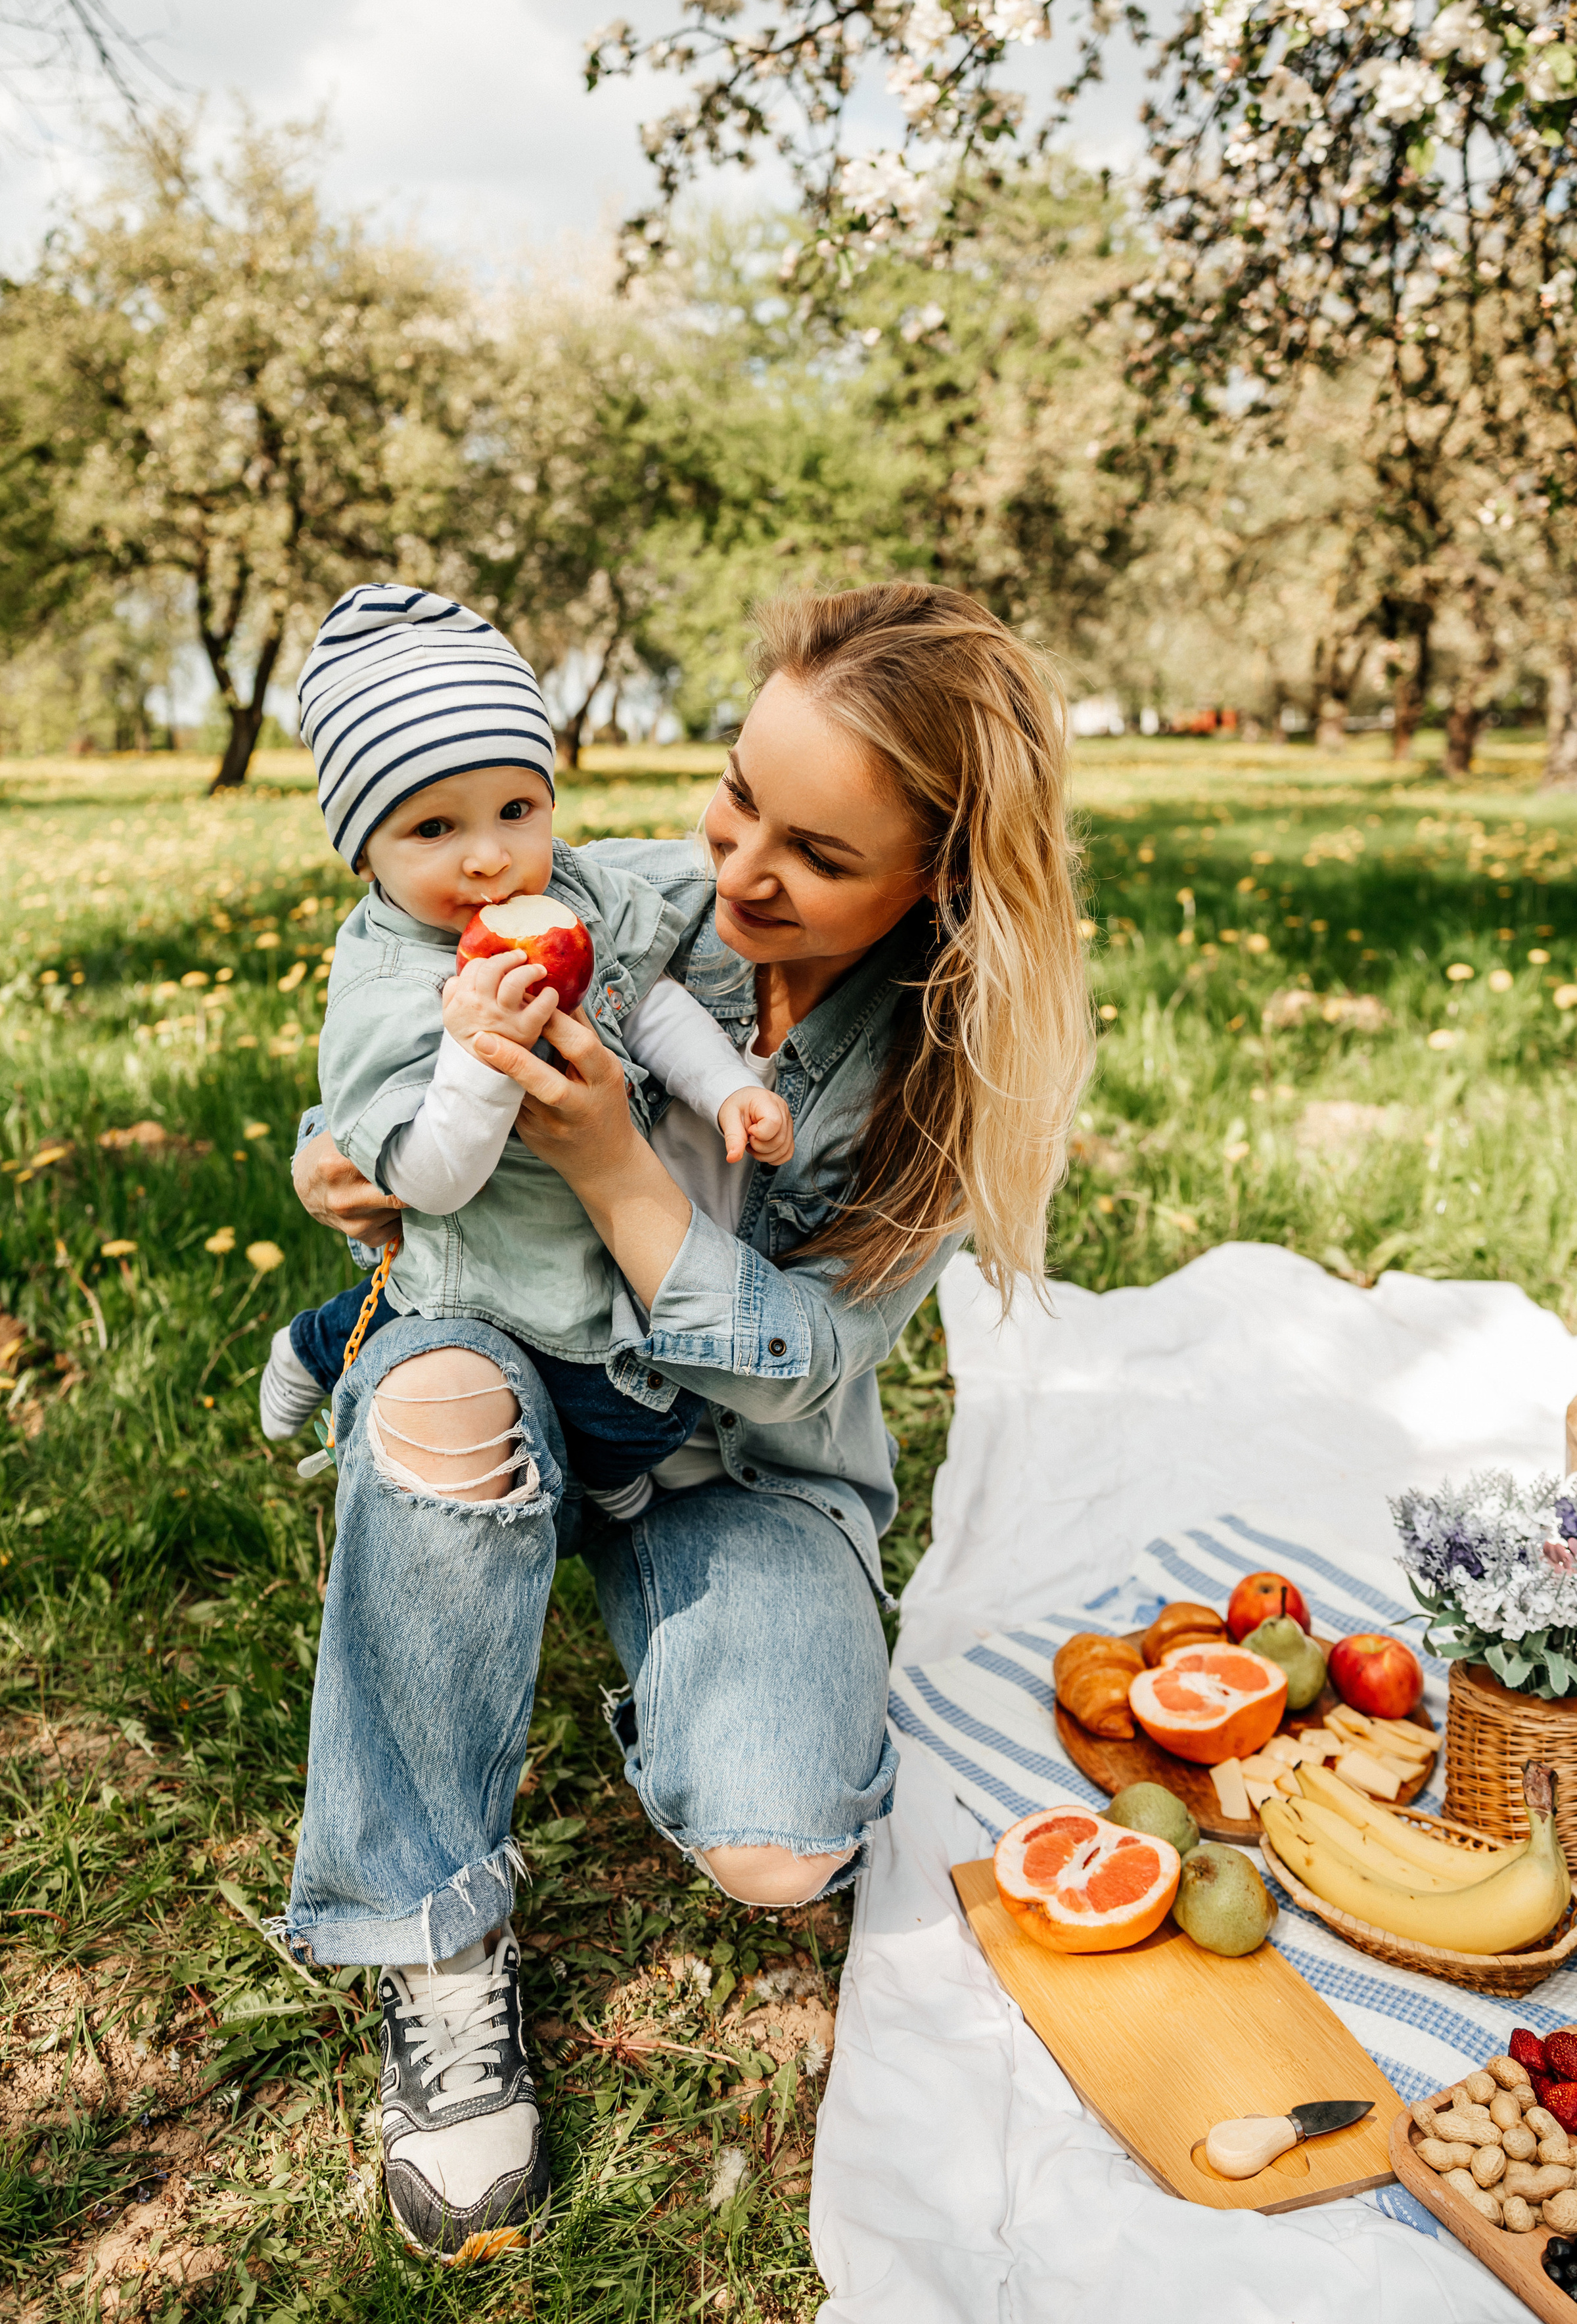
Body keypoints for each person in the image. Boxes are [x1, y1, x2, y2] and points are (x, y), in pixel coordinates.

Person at [277, 582, 1094, 2265]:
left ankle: (608, 1611)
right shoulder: (612, 901)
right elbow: (395, 1020)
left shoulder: (948, 1063)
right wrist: (329, 1153)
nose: (736, 871)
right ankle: (429, 1942)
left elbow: (807, 1356)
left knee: (785, 1850)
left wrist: (613, 1167)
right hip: (504, 1358)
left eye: (816, 852)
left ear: (935, 876)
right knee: (436, 1405)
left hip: (740, 1463)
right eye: (735, 792)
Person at [258, 583, 794, 1517]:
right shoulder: (388, 988)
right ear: (363, 853)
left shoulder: (579, 892)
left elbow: (651, 1001)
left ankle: (593, 1466)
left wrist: (722, 1090)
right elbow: (427, 1183)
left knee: (641, 1419)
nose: (489, 858)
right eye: (433, 828)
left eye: (516, 808)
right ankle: (319, 1343)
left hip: (588, 1252)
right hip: (468, 1269)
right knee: (449, 1336)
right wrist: (475, 1052)